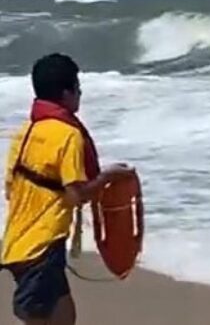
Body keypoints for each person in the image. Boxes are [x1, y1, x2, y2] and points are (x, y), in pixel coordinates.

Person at [1, 53, 133, 325]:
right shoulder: (68, 135)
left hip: (17, 244)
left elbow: (11, 190)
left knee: (65, 316)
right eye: (78, 88)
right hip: (42, 247)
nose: (80, 95)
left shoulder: (25, 132)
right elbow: (76, 195)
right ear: (66, 93)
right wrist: (108, 176)